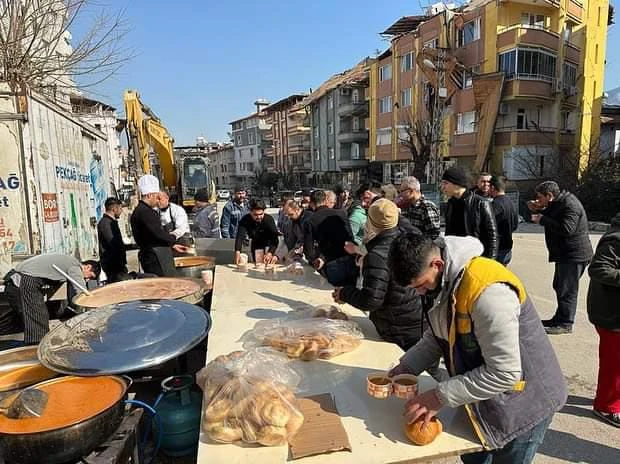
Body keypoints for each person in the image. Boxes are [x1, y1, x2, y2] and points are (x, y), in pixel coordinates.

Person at [388, 234, 567, 464]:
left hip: (522, 404)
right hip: (482, 397)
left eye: (421, 285)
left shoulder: (488, 293)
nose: (420, 293)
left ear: (438, 264)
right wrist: (407, 365)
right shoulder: (442, 283)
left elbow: (505, 373)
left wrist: (438, 396)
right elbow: (439, 335)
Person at [332, 199, 424, 351]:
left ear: (371, 222)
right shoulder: (404, 239)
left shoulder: (378, 254)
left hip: (397, 328)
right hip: (415, 318)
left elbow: (371, 300)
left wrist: (345, 293)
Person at [529, 180, 593, 335]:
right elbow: (554, 215)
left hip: (574, 255)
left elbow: (567, 229)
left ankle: (565, 323)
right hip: (564, 254)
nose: (539, 200)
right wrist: (539, 208)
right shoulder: (558, 202)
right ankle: (559, 318)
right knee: (559, 285)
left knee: (567, 290)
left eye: (540, 197)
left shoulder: (570, 205)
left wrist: (542, 219)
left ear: (549, 196)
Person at [2, 255, 101, 345]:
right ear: (87, 267)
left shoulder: (68, 263)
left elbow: (72, 293)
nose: (87, 279)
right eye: (90, 276)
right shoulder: (75, 267)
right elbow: (80, 289)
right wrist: (91, 305)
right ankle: (36, 345)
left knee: (32, 314)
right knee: (37, 315)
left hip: (20, 277)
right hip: (26, 278)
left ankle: (36, 343)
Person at [587, 212, 620, 427]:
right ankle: (606, 407)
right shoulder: (615, 239)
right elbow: (598, 269)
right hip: (612, 314)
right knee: (614, 363)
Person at [130, 175, 187, 276]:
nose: (157, 201)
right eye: (156, 197)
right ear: (149, 195)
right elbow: (158, 234)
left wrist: (171, 245)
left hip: (155, 254)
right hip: (156, 257)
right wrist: (172, 238)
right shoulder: (145, 212)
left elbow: (153, 236)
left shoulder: (143, 210)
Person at [441, 166, 498, 259]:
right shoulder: (451, 204)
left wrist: (490, 262)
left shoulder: (481, 203)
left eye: (446, 183)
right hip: (457, 259)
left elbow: (492, 237)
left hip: (477, 258)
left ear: (457, 184)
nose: (442, 187)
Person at [304, 190, 356, 285]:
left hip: (331, 262)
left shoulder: (310, 221)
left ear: (311, 203)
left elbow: (308, 250)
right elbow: (350, 238)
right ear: (325, 200)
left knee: (333, 294)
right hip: (349, 259)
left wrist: (315, 260)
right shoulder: (341, 213)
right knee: (350, 293)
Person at [234, 198, 279, 265]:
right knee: (257, 265)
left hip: (270, 245)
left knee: (269, 266)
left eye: (261, 214)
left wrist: (270, 253)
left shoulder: (269, 220)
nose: (258, 217)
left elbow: (275, 239)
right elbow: (239, 237)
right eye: (255, 215)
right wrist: (237, 251)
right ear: (250, 212)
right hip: (256, 244)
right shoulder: (245, 220)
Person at [97, 197, 129, 283]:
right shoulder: (105, 223)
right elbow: (112, 242)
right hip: (113, 265)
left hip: (117, 264)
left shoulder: (111, 222)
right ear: (114, 209)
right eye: (120, 208)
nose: (121, 211)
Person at [490, 176, 519, 265]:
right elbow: (515, 225)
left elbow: (488, 225)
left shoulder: (496, 204)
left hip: (497, 248)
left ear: (492, 188)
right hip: (507, 247)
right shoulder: (510, 202)